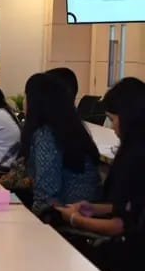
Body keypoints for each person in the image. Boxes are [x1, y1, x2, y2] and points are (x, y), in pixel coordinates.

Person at [55, 78, 145, 271]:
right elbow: (128, 206)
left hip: (129, 257)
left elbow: (120, 226)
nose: (113, 128)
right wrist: (93, 208)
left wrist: (75, 219)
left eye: (113, 120)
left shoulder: (135, 159)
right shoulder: (135, 149)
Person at [21, 73, 101, 215]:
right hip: (79, 213)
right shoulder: (67, 127)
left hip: (69, 217)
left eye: (26, 96)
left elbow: (46, 196)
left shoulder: (46, 135)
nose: (24, 101)